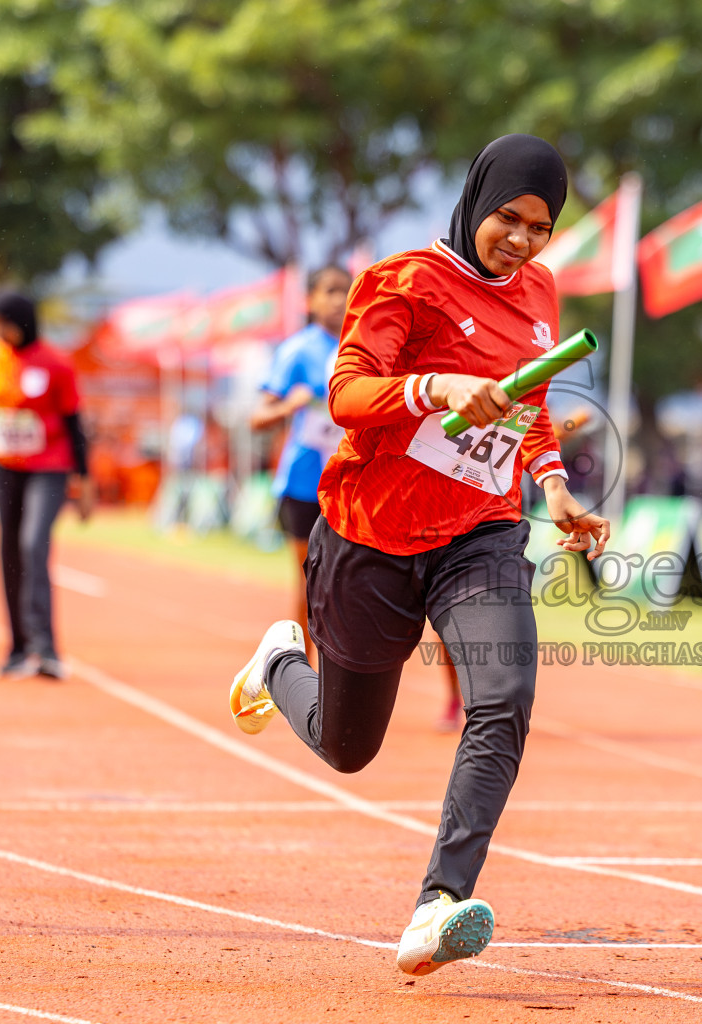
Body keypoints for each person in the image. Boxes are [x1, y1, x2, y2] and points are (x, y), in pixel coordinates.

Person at [228, 134, 609, 976]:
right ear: (476, 201)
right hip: (371, 534)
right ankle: (278, 663)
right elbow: (346, 394)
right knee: (346, 745)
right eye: (506, 218)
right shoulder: (403, 281)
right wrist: (432, 388)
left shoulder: (540, 293)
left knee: (503, 699)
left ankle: (438, 904)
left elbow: (530, 403)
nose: (518, 239)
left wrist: (552, 487)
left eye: (539, 226)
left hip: (480, 531)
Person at [0, 292, 95, 680]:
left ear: (21, 322)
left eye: (1, 323)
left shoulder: (57, 363)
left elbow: (74, 423)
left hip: (50, 467)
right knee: (9, 550)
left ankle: (46, 649)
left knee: (33, 543)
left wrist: (85, 480)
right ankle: (18, 648)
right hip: (6, 465)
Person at [250, 265, 351, 635]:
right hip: (304, 484)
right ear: (310, 300)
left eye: (347, 290)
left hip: (351, 484)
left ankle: (339, 673)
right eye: (330, 291)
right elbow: (257, 418)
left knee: (348, 586)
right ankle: (302, 675)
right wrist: (289, 406)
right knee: (312, 582)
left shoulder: (363, 349)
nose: (340, 299)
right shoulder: (297, 350)